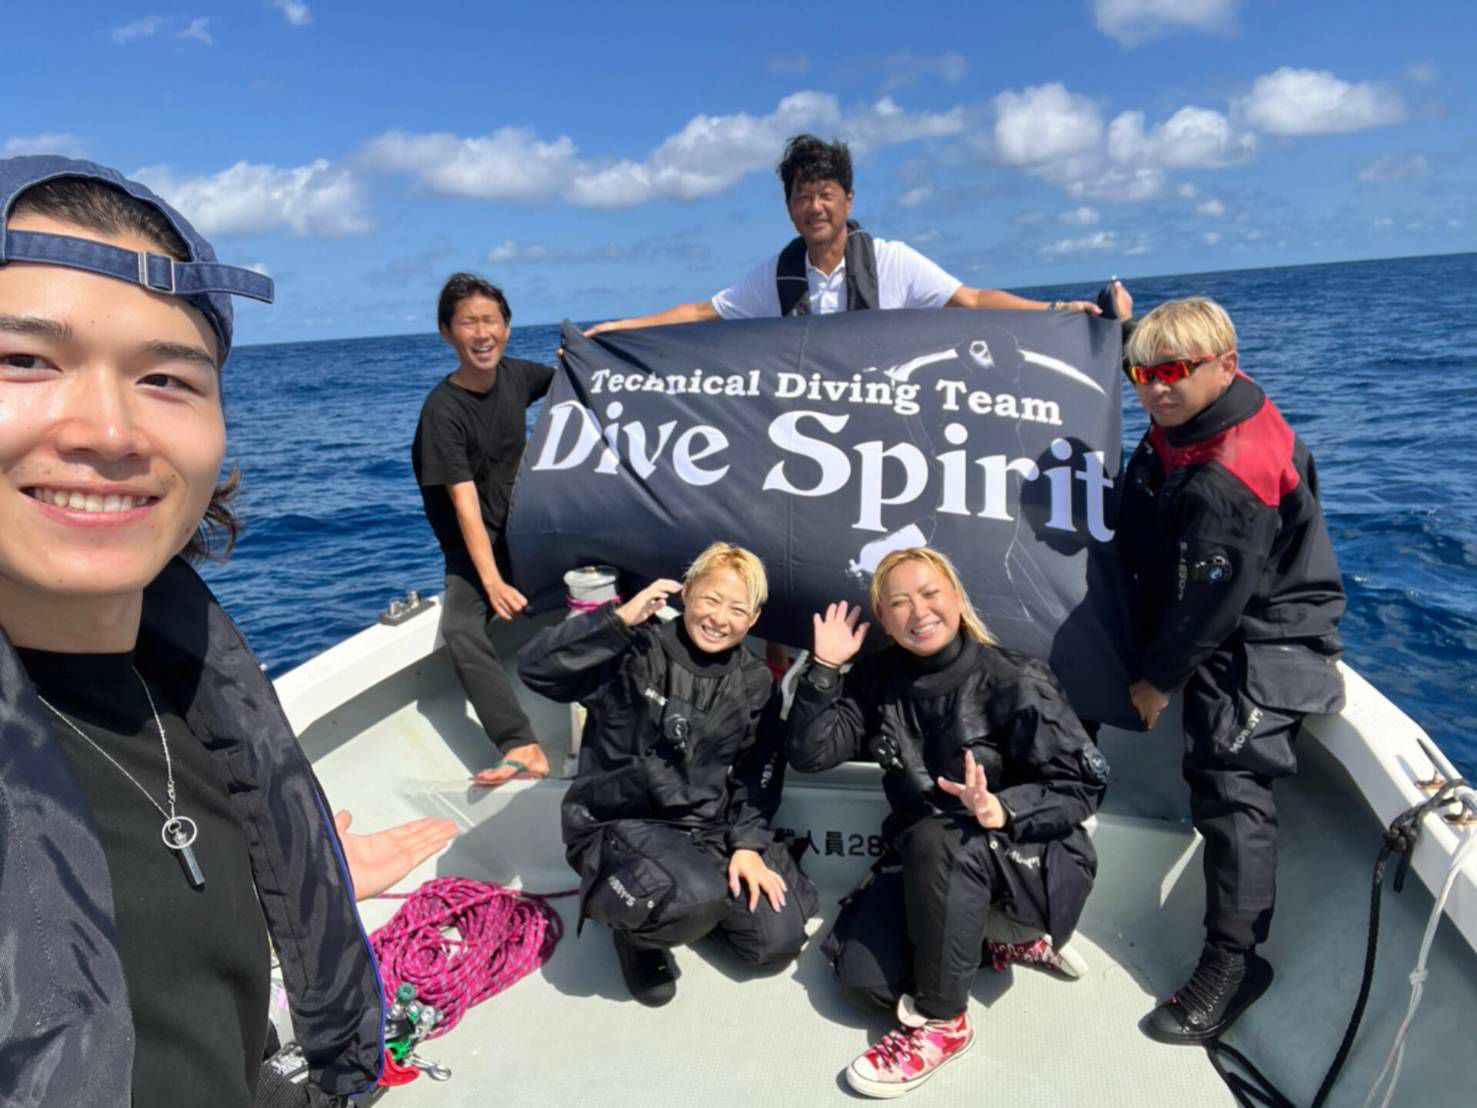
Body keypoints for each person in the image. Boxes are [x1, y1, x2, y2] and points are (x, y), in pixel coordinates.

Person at [0, 155, 457, 1107]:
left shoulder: (186, 703)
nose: (111, 430)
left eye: (168, 377)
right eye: (24, 360)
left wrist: (264, 888)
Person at [787, 546, 1106, 1098]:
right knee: (864, 983)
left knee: (943, 835)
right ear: (884, 619)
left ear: (957, 598)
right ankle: (989, 943)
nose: (919, 612)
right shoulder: (878, 680)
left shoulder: (1015, 678)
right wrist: (826, 669)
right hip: (929, 863)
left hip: (1030, 863)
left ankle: (944, 1021)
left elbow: (1083, 787)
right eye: (900, 603)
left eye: (931, 594)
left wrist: (1002, 809)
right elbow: (811, 754)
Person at [1115, 297, 1345, 1044]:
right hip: (1201, 607)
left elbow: (1208, 611)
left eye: (1173, 372)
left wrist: (1154, 683)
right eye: (1139, 372)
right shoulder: (1190, 414)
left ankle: (1233, 962)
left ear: (1225, 365)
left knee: (1227, 783)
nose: (1154, 389)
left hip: (1260, 636)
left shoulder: (1229, 478)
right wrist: (1120, 326)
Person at [518, 542, 816, 1006]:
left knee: (774, 943)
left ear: (754, 619)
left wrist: (748, 846)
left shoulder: (756, 682)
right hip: (619, 823)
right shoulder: (633, 652)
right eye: (711, 600)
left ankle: (686, 908)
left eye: (737, 609)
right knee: (694, 897)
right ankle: (637, 935)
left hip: (703, 830)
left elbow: (759, 773)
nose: (720, 618)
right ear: (687, 593)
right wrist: (616, 622)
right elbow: (536, 670)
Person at [586, 133, 1106, 336]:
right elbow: (702, 313)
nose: (815, 207)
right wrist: (618, 328)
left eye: (826, 193)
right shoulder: (779, 274)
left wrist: (1055, 312)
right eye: (802, 196)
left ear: (848, 199)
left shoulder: (891, 261)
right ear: (789, 208)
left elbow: (971, 299)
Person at [411, 273, 553, 787]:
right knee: (461, 630)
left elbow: (574, 378)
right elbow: (464, 504)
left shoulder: (517, 377)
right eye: (468, 322)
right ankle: (522, 744)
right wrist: (490, 581)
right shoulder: (442, 413)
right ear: (447, 333)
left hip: (528, 533)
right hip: (476, 555)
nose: (481, 332)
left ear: (508, 327)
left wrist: (596, 351)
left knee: (610, 579)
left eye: (490, 319)